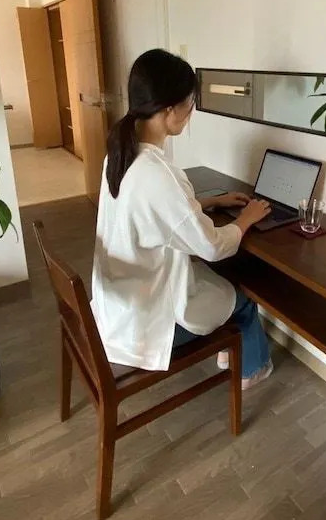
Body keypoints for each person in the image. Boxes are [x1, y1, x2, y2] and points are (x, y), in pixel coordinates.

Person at [91, 49, 276, 390]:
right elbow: (212, 247)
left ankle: (228, 353)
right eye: (191, 103)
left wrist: (209, 201)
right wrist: (246, 219)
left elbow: (150, 212)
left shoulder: (119, 155)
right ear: (170, 109)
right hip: (147, 323)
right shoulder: (159, 174)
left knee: (214, 280)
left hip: (118, 305)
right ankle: (252, 369)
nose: (191, 112)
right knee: (245, 299)